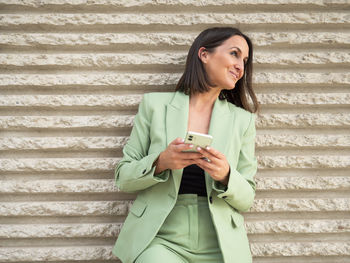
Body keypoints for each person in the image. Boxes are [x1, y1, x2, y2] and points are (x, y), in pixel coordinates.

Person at [112, 27, 259, 263]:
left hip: (219, 241)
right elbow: (123, 177)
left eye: (244, 60)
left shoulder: (242, 120)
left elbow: (247, 198)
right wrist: (160, 163)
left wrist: (226, 175)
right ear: (204, 54)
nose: (240, 67)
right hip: (161, 236)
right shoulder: (154, 106)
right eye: (234, 54)